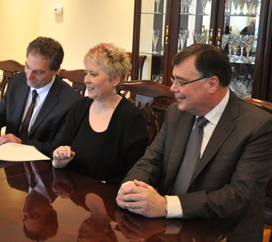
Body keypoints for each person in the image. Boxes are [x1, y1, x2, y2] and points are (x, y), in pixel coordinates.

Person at [116, 44, 272, 241]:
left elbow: (239, 195)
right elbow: (151, 161)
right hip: (168, 228)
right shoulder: (176, 113)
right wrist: (131, 188)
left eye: (181, 82)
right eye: (174, 80)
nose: (172, 88)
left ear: (212, 84)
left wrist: (166, 205)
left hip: (221, 233)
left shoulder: (258, 125)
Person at [52, 43, 149, 186]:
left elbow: (136, 175)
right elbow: (60, 148)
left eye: (93, 74)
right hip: (72, 195)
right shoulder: (79, 107)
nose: (86, 80)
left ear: (115, 79)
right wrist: (58, 160)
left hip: (107, 201)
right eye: (86, 73)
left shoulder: (131, 118)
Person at [0, 37, 81, 156]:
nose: (29, 77)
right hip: (8, 159)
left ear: (55, 71)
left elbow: (57, 148)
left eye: (38, 72)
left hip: (41, 167)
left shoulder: (71, 101)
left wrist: (22, 143)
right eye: (27, 67)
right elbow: (0, 114)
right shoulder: (17, 81)